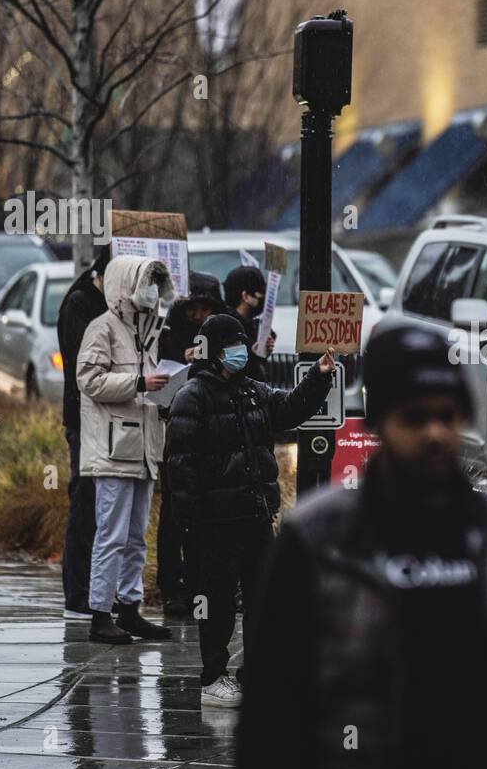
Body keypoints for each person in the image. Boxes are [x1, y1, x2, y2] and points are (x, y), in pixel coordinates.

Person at [238, 324, 487, 769]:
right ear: (380, 423)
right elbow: (269, 716)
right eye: (414, 418)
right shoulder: (318, 537)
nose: (434, 433)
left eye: (447, 415)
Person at [164, 314, 335, 707]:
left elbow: (290, 410)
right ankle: (213, 679)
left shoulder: (252, 391)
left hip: (256, 515)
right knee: (218, 603)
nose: (240, 351)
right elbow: (180, 468)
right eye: (232, 345)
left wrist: (320, 375)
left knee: (265, 598)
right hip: (215, 521)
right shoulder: (192, 397)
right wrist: (190, 524)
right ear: (215, 351)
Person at [76, 255, 174, 645]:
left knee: (136, 535)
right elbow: (89, 379)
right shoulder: (102, 328)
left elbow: (143, 383)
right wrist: (138, 383)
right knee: (111, 534)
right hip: (113, 448)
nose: (150, 289)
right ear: (126, 284)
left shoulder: (148, 328)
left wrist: (162, 390)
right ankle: (101, 612)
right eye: (145, 281)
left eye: (155, 282)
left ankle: (130, 607)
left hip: (144, 446)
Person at [154, 270, 224, 615]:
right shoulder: (167, 333)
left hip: (208, 439)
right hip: (175, 437)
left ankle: (200, 586)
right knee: (173, 515)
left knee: (206, 517)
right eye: (193, 309)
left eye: (205, 310)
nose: (199, 317)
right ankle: (172, 588)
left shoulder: (222, 335)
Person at [56, 246, 110, 619]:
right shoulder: (81, 303)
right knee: (86, 498)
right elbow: (85, 364)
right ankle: (78, 592)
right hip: (85, 417)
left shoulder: (101, 303)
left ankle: (97, 589)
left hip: (108, 417)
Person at [222, 265, 273, 383]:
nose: (264, 299)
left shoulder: (254, 326)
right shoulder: (229, 327)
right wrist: (254, 355)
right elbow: (236, 369)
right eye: (260, 294)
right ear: (245, 296)